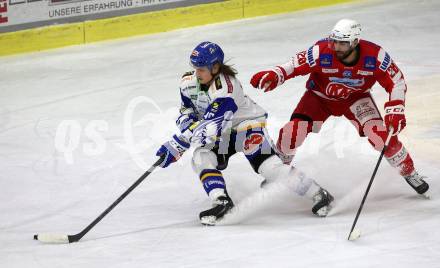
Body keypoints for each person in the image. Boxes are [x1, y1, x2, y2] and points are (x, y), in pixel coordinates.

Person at [155, 41, 334, 225]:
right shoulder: (187, 83)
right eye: (195, 68)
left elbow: (210, 126)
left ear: (215, 67)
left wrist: (178, 144)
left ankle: (318, 193)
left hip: (246, 127)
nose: (196, 73)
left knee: (270, 168)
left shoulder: (227, 88)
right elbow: (187, 110)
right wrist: (186, 123)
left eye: (201, 69)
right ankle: (222, 201)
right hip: (222, 134)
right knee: (201, 157)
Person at [250, 19, 429, 196]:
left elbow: (396, 81)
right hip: (319, 97)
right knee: (292, 132)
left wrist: (396, 108)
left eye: (342, 44)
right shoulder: (321, 51)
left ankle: (409, 171)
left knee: (380, 135)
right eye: (333, 41)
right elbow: (293, 65)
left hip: (356, 99)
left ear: (355, 42)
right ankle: (280, 172)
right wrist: (276, 74)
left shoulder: (376, 56)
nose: (336, 47)